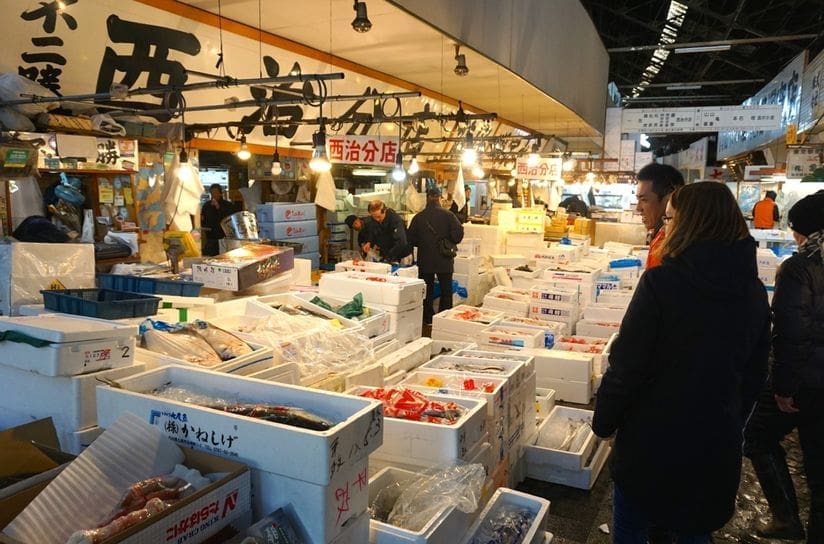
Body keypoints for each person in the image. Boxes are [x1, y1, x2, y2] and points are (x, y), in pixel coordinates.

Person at [592, 182, 770, 543]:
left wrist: (604, 422)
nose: (665, 228)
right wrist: (731, 419)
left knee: (632, 527)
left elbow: (627, 367)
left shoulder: (661, 283)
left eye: (671, 219)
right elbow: (754, 374)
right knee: (694, 529)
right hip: (713, 442)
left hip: (650, 440)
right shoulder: (753, 291)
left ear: (691, 224)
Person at [744, 192, 824, 542]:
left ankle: (786, 518)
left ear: (804, 231)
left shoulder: (799, 267)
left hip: (806, 382)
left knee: (756, 435)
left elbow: (792, 333)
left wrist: (783, 387)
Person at [407, 187, 464, 325]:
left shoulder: (418, 217)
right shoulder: (449, 215)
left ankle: (427, 318)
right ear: (439, 198)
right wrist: (447, 240)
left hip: (425, 259)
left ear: (427, 198)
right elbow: (458, 235)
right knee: (446, 290)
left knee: (426, 290)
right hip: (444, 259)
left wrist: (423, 243)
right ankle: (444, 319)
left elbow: (410, 238)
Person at [634, 163, 685, 269]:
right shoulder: (662, 236)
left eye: (644, 200)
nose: (638, 208)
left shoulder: (672, 247)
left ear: (669, 199)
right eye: (638, 199)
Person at [200, 184, 235, 256]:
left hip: (222, 236)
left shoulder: (227, 205)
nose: (213, 195)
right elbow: (203, 217)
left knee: (223, 255)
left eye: (215, 193)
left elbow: (228, 219)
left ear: (220, 193)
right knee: (210, 255)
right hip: (210, 236)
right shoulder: (207, 205)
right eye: (212, 193)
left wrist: (218, 207)